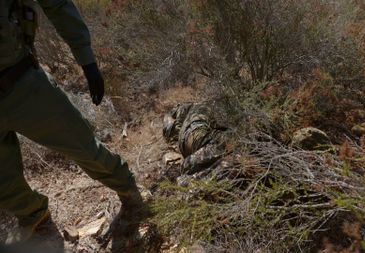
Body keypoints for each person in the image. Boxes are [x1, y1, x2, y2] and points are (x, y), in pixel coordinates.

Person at [0, 0, 143, 244]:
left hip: (22, 85)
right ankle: (35, 217)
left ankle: (130, 193)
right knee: (3, 182)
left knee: (85, 148)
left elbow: (56, 4)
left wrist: (86, 60)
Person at [163, 102, 230, 175]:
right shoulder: (190, 107)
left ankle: (190, 165)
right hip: (196, 134)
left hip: (183, 147)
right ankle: (189, 163)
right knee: (232, 139)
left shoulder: (189, 111)